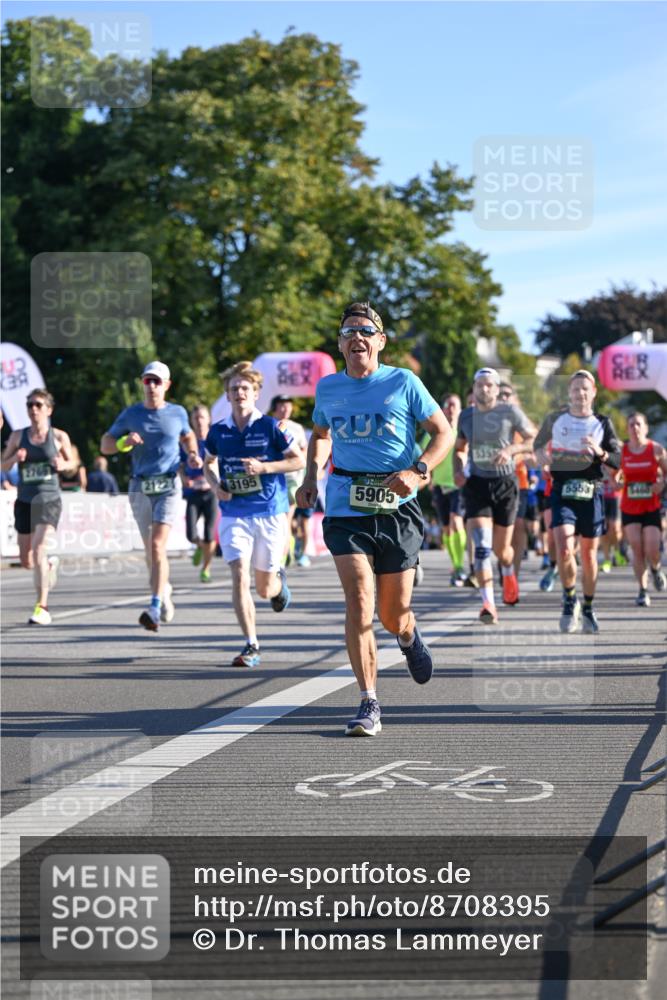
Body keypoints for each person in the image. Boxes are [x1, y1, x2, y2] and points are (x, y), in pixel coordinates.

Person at [296, 301, 453, 737]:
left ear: (380, 342)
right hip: (346, 505)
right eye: (348, 332)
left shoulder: (403, 382)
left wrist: (418, 470)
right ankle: (369, 701)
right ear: (341, 344)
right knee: (359, 601)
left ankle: (407, 635)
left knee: (392, 612)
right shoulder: (328, 388)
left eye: (366, 331)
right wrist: (311, 475)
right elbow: (322, 434)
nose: (356, 338)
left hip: (398, 506)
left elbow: (444, 432)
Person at [204, 362, 305, 667]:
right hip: (234, 513)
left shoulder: (272, 427)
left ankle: (278, 583)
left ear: (256, 393)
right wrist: (216, 486)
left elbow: (298, 461)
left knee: (264, 589)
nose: (239, 393)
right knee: (238, 576)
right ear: (227, 394)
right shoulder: (218, 430)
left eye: (245, 388)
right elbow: (208, 462)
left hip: (269, 512)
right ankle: (251, 644)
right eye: (234, 389)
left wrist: (265, 468)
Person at [101, 361, 201, 631]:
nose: (152, 386)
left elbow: (188, 437)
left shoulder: (177, 413)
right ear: (142, 383)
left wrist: (192, 454)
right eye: (148, 381)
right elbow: (106, 444)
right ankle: (164, 589)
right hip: (140, 486)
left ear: (167, 385)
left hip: (168, 485)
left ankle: (154, 606)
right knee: (151, 552)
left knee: (157, 546)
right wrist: (125, 443)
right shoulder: (131, 414)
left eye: (158, 381)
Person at [534, 369, 621, 634]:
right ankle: (569, 597)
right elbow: (537, 446)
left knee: (589, 556)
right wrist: (542, 459)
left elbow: (618, 461)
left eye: (585, 388)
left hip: (591, 493)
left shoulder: (603, 423)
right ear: (569, 393)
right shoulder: (555, 419)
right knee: (563, 548)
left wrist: (600, 453)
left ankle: (588, 607)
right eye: (575, 389)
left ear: (593, 392)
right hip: (562, 491)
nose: (580, 393)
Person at [454, 368, 535, 624]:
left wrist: (512, 449)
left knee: (502, 551)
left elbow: (534, 439)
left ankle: (508, 570)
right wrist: (458, 469)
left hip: (505, 484)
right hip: (477, 484)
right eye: (480, 385)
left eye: (490, 385)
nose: (485, 389)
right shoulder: (466, 416)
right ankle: (488, 603)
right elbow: (459, 448)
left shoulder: (509, 412)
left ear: (497, 389)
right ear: (474, 388)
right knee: (481, 545)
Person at [0, 388, 71, 624]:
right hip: (25, 501)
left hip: (49, 500)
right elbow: (2, 465)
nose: (33, 409)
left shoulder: (59, 437)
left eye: (38, 405)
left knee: (39, 549)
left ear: (48, 409)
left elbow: (72, 464)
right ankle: (49, 565)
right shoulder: (18, 437)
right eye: (30, 405)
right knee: (26, 560)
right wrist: (14, 460)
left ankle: (42, 607)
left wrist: (62, 464)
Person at [619, 412, 667, 606]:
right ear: (627, 429)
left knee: (652, 549)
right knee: (637, 549)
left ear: (645, 428)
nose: (635, 428)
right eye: (631, 425)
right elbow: (612, 473)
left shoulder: (656, 449)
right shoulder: (621, 451)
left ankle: (655, 569)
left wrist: (662, 484)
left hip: (651, 506)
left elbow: (666, 474)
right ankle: (642, 589)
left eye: (639, 424)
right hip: (629, 507)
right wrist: (615, 482)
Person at [425, 393, 467, 586]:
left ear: (460, 409)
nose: (451, 409)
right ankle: (455, 564)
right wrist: (429, 476)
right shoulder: (434, 432)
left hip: (458, 485)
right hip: (440, 486)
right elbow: (423, 454)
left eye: (454, 405)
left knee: (456, 522)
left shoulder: (464, 432)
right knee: (446, 529)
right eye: (448, 405)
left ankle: (460, 566)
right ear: (442, 409)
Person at [270, 394, 311, 567]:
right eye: (281, 406)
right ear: (275, 408)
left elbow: (304, 452)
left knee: (285, 521)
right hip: (271, 479)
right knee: (273, 521)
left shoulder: (297, 428)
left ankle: (280, 561)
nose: (285, 409)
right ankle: (284, 548)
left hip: (292, 479)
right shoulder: (267, 425)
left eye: (288, 406)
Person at [180, 405, 217, 583]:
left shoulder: (216, 438)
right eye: (195, 418)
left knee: (210, 533)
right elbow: (179, 464)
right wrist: (183, 477)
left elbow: (224, 463)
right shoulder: (187, 442)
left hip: (211, 493)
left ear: (208, 419)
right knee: (190, 534)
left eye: (202, 417)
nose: (199, 421)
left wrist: (212, 478)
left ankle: (206, 568)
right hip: (193, 494)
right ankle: (200, 546)